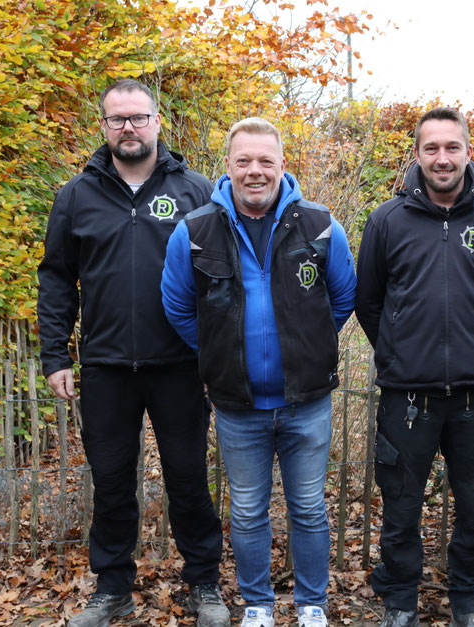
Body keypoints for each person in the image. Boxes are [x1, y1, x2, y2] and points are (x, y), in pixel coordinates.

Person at [37, 79, 228, 627]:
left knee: (188, 480)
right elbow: (56, 278)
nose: (128, 127)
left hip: (181, 367)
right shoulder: (76, 195)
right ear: (103, 125)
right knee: (112, 483)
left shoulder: (195, 191)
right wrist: (56, 355)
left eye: (138, 117)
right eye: (117, 119)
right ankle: (112, 589)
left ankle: (204, 584)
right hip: (106, 367)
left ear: (157, 121)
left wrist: (215, 357)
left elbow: (219, 281)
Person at [161, 117, 356, 627]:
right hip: (237, 405)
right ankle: (258, 606)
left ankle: (311, 604)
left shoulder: (321, 225)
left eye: (265, 160)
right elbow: (177, 306)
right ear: (227, 166)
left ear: (282, 165)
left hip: (306, 402)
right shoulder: (194, 231)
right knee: (248, 511)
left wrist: (304, 346)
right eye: (244, 160)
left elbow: (342, 298)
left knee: (308, 507)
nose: (255, 171)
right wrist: (221, 352)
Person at [355, 107, 474, 627]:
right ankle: (401, 601)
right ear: (417, 155)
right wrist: (400, 355)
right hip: (407, 397)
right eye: (431, 148)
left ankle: (468, 602)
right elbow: (369, 301)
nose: (442, 158)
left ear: (469, 152)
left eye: (452, 147)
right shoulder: (387, 220)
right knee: (401, 507)